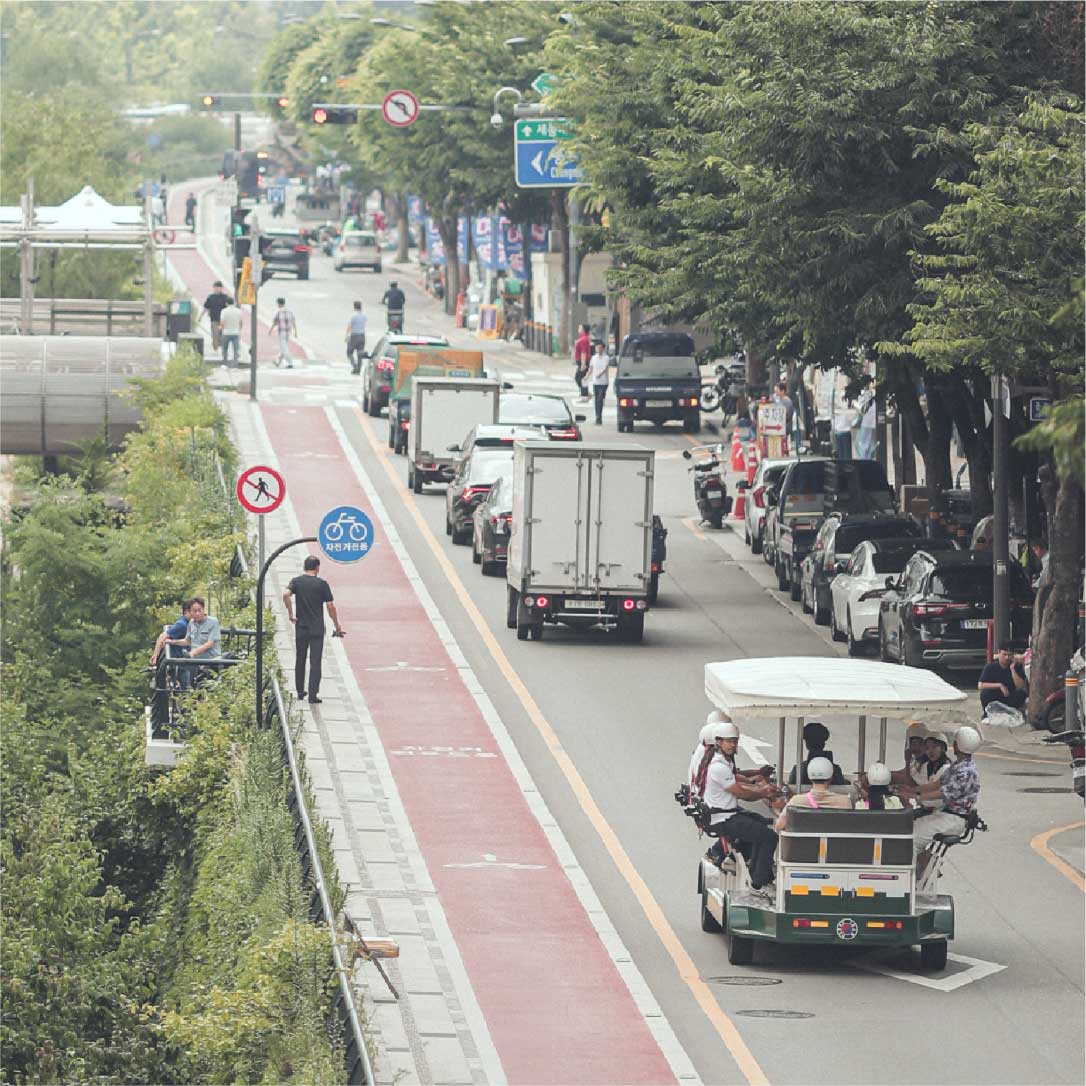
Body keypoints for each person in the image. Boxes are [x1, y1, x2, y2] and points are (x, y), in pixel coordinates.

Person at [703, 720, 781, 892]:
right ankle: (758, 883)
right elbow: (742, 793)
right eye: (729, 741)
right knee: (770, 837)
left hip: (727, 813)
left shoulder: (724, 762)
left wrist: (759, 784)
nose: (733, 745)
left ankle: (755, 869)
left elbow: (740, 782)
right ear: (719, 742)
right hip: (724, 818)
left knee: (761, 824)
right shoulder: (718, 767)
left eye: (735, 741)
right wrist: (764, 792)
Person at [912, 726, 982, 859]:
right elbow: (937, 784)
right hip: (945, 816)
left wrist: (917, 796)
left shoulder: (966, 772)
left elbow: (943, 793)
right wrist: (913, 790)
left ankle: (913, 873)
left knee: (911, 840)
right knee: (912, 828)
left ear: (957, 745)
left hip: (953, 819)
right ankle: (921, 864)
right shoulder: (957, 765)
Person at [283, 555, 344, 705]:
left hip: (301, 627)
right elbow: (330, 607)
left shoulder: (296, 581)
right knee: (315, 662)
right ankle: (312, 694)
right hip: (316, 628)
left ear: (304, 567)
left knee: (300, 658)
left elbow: (285, 594)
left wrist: (291, 613)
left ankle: (299, 691)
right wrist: (337, 625)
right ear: (317, 568)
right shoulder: (322, 584)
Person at [775, 757, 852, 829]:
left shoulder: (796, 801)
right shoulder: (844, 801)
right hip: (836, 843)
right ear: (831, 777)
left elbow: (779, 826)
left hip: (804, 843)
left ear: (809, 777)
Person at [176, 597, 222, 690]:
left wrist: (193, 653)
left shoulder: (213, 622)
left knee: (206, 687)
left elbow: (210, 643)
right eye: (194, 611)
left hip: (210, 662)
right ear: (191, 612)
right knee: (184, 677)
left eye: (199, 610)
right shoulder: (191, 623)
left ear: (203, 609)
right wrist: (172, 641)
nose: (197, 613)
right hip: (195, 663)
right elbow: (187, 641)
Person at [787, 721, 846, 786]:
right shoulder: (836, 770)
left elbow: (791, 788)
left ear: (807, 744)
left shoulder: (798, 769)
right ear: (823, 743)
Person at [978, 642, 1028, 712]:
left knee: (1021, 694)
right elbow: (981, 685)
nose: (1007, 657)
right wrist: (1000, 685)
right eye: (1004, 654)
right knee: (985, 693)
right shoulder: (990, 666)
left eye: (1009, 655)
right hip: (996, 693)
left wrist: (1012, 669)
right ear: (999, 652)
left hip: (1010, 695)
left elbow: (1020, 686)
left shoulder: (1016, 666)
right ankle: (988, 713)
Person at [909, 733, 953, 811]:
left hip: (941, 812)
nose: (931, 751)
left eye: (934, 747)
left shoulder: (948, 769)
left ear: (943, 748)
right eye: (927, 748)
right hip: (925, 810)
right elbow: (914, 779)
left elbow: (935, 790)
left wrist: (912, 793)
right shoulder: (926, 766)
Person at [151, 599, 192, 665]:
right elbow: (162, 636)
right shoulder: (182, 625)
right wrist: (155, 656)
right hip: (180, 661)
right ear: (186, 611)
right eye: (194, 611)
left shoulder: (190, 623)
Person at [201, 281, 233, 353]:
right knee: (215, 334)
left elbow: (229, 307)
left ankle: (222, 349)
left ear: (221, 288)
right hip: (214, 320)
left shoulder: (225, 297)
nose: (217, 289)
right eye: (216, 287)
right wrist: (201, 316)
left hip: (223, 320)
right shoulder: (210, 297)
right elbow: (206, 307)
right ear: (214, 288)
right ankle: (215, 349)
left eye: (219, 288)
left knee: (222, 335)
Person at [586, 340, 610, 425]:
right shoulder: (593, 358)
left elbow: (605, 368)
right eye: (597, 347)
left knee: (600, 399)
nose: (598, 349)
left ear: (603, 348)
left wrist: (600, 374)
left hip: (604, 382)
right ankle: (598, 417)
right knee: (596, 400)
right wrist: (586, 376)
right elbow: (590, 368)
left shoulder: (606, 358)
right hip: (595, 382)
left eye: (600, 347)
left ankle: (599, 416)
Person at [270, 297, 297, 368]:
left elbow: (275, 322)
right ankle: (278, 362)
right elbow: (293, 321)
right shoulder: (290, 311)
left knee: (284, 348)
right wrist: (296, 332)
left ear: (278, 303)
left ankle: (290, 363)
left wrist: (270, 330)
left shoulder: (278, 312)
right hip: (288, 332)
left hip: (282, 332)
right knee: (284, 347)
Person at [345, 301, 368, 375]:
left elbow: (349, 326)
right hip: (362, 336)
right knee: (360, 353)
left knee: (349, 352)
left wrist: (347, 335)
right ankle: (358, 369)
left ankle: (354, 366)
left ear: (354, 307)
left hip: (354, 336)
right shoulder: (364, 316)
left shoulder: (353, 316)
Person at [220, 299, 244, 367]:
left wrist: (220, 328)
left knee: (224, 349)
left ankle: (225, 364)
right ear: (234, 303)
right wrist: (238, 330)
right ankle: (235, 365)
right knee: (236, 350)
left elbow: (222, 323)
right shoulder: (238, 311)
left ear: (226, 303)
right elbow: (241, 323)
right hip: (235, 333)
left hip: (226, 333)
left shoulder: (224, 311)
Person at [573, 323, 592, 398]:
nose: (578, 329)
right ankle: (584, 392)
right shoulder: (583, 338)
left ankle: (585, 393)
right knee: (581, 378)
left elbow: (583, 352)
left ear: (583, 330)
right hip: (581, 361)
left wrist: (583, 365)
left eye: (580, 328)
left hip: (583, 361)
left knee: (579, 377)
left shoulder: (584, 339)